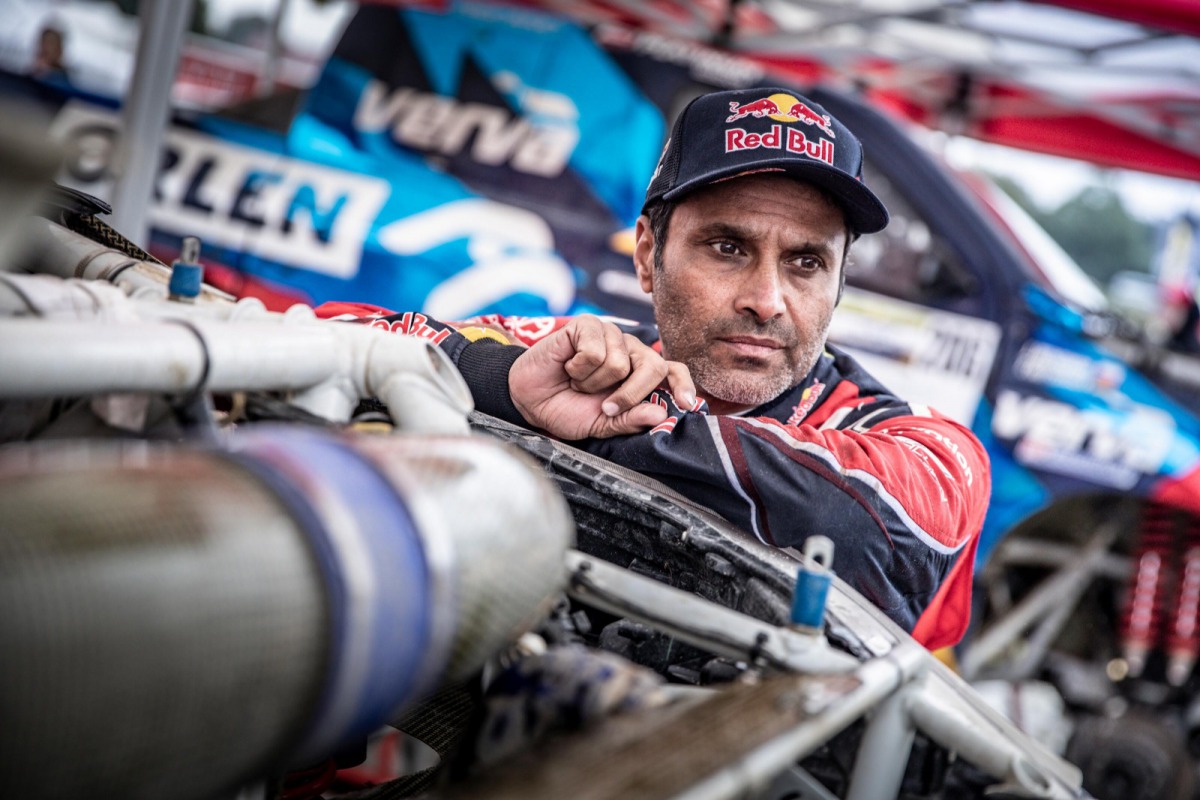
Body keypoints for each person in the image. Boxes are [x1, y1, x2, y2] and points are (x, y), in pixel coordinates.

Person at [319, 87, 990, 650]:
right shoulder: (577, 351)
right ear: (647, 255)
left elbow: (857, 523)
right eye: (728, 247)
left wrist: (600, 422)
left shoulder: (930, 448)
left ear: (840, 284)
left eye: (806, 263)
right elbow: (327, 337)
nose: (767, 299)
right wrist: (501, 381)